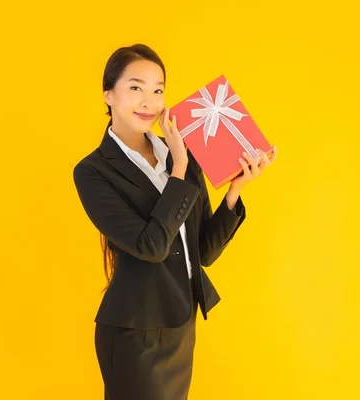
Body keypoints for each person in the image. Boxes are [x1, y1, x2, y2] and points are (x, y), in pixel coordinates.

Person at [72, 43, 277, 400]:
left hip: (181, 321)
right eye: (135, 87)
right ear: (108, 94)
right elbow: (150, 247)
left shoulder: (179, 150)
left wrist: (235, 189)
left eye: (158, 90)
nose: (148, 101)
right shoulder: (93, 172)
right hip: (134, 332)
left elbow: (204, 252)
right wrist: (179, 170)